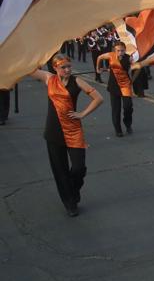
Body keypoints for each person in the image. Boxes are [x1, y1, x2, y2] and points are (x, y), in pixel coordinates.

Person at [28, 54, 103, 216]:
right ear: (55, 68)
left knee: (78, 168)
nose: (68, 69)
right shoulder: (49, 78)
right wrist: (38, 54)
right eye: (64, 67)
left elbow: (98, 98)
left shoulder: (77, 81)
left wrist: (82, 114)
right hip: (53, 132)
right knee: (60, 170)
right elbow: (29, 70)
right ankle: (70, 204)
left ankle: (72, 191)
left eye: (69, 66)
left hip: (73, 130)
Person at [97, 41, 134, 137]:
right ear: (115, 50)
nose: (120, 52)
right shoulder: (110, 55)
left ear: (125, 50)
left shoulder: (129, 58)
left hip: (125, 85)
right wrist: (98, 68)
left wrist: (133, 79)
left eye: (122, 50)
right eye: (118, 50)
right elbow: (99, 57)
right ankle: (118, 129)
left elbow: (136, 68)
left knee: (128, 106)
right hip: (113, 86)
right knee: (116, 109)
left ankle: (128, 124)